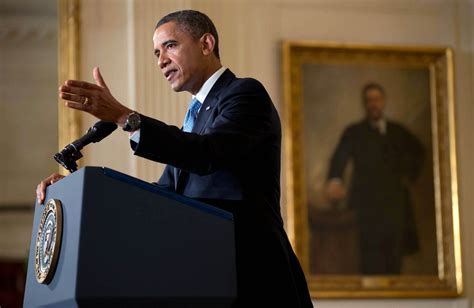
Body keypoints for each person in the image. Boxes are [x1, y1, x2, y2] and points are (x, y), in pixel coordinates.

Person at [36, 10, 313, 307]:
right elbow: (163, 195)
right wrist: (81, 191)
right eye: (156, 52)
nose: (160, 61)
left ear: (206, 44)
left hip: (255, 276)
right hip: (209, 278)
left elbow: (207, 153)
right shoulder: (194, 119)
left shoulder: (244, 93)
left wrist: (122, 116)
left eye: (170, 46)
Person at [325, 82, 424, 275]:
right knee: (369, 258)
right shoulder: (354, 132)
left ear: (383, 101)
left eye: (376, 99)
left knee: (394, 257)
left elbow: (419, 152)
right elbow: (340, 157)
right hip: (366, 206)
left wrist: (408, 175)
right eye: (369, 100)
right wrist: (335, 180)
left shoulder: (398, 131)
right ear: (365, 104)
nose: (373, 104)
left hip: (395, 205)